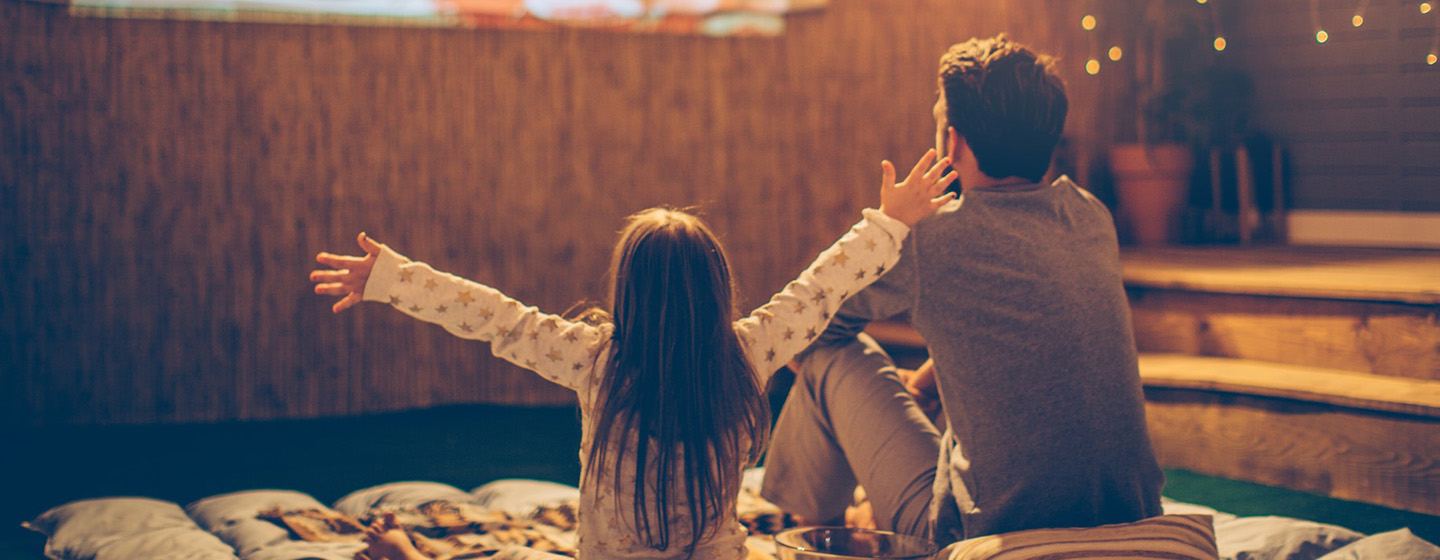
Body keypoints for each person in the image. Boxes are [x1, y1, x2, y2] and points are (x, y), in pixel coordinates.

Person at [309, 151, 958, 560]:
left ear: (628, 294)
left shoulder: (597, 361)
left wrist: (389, 280)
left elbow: (495, 318)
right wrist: (890, 222)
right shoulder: (748, 352)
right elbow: (821, 290)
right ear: (717, 289)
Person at [760, 34, 1166, 548]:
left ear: (953, 143)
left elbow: (813, 330)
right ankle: (827, 523)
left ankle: (806, 532)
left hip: (978, 535)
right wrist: (927, 384)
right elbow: (1033, 333)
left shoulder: (933, 238)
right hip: (1129, 516)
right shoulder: (1089, 214)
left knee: (830, 358)